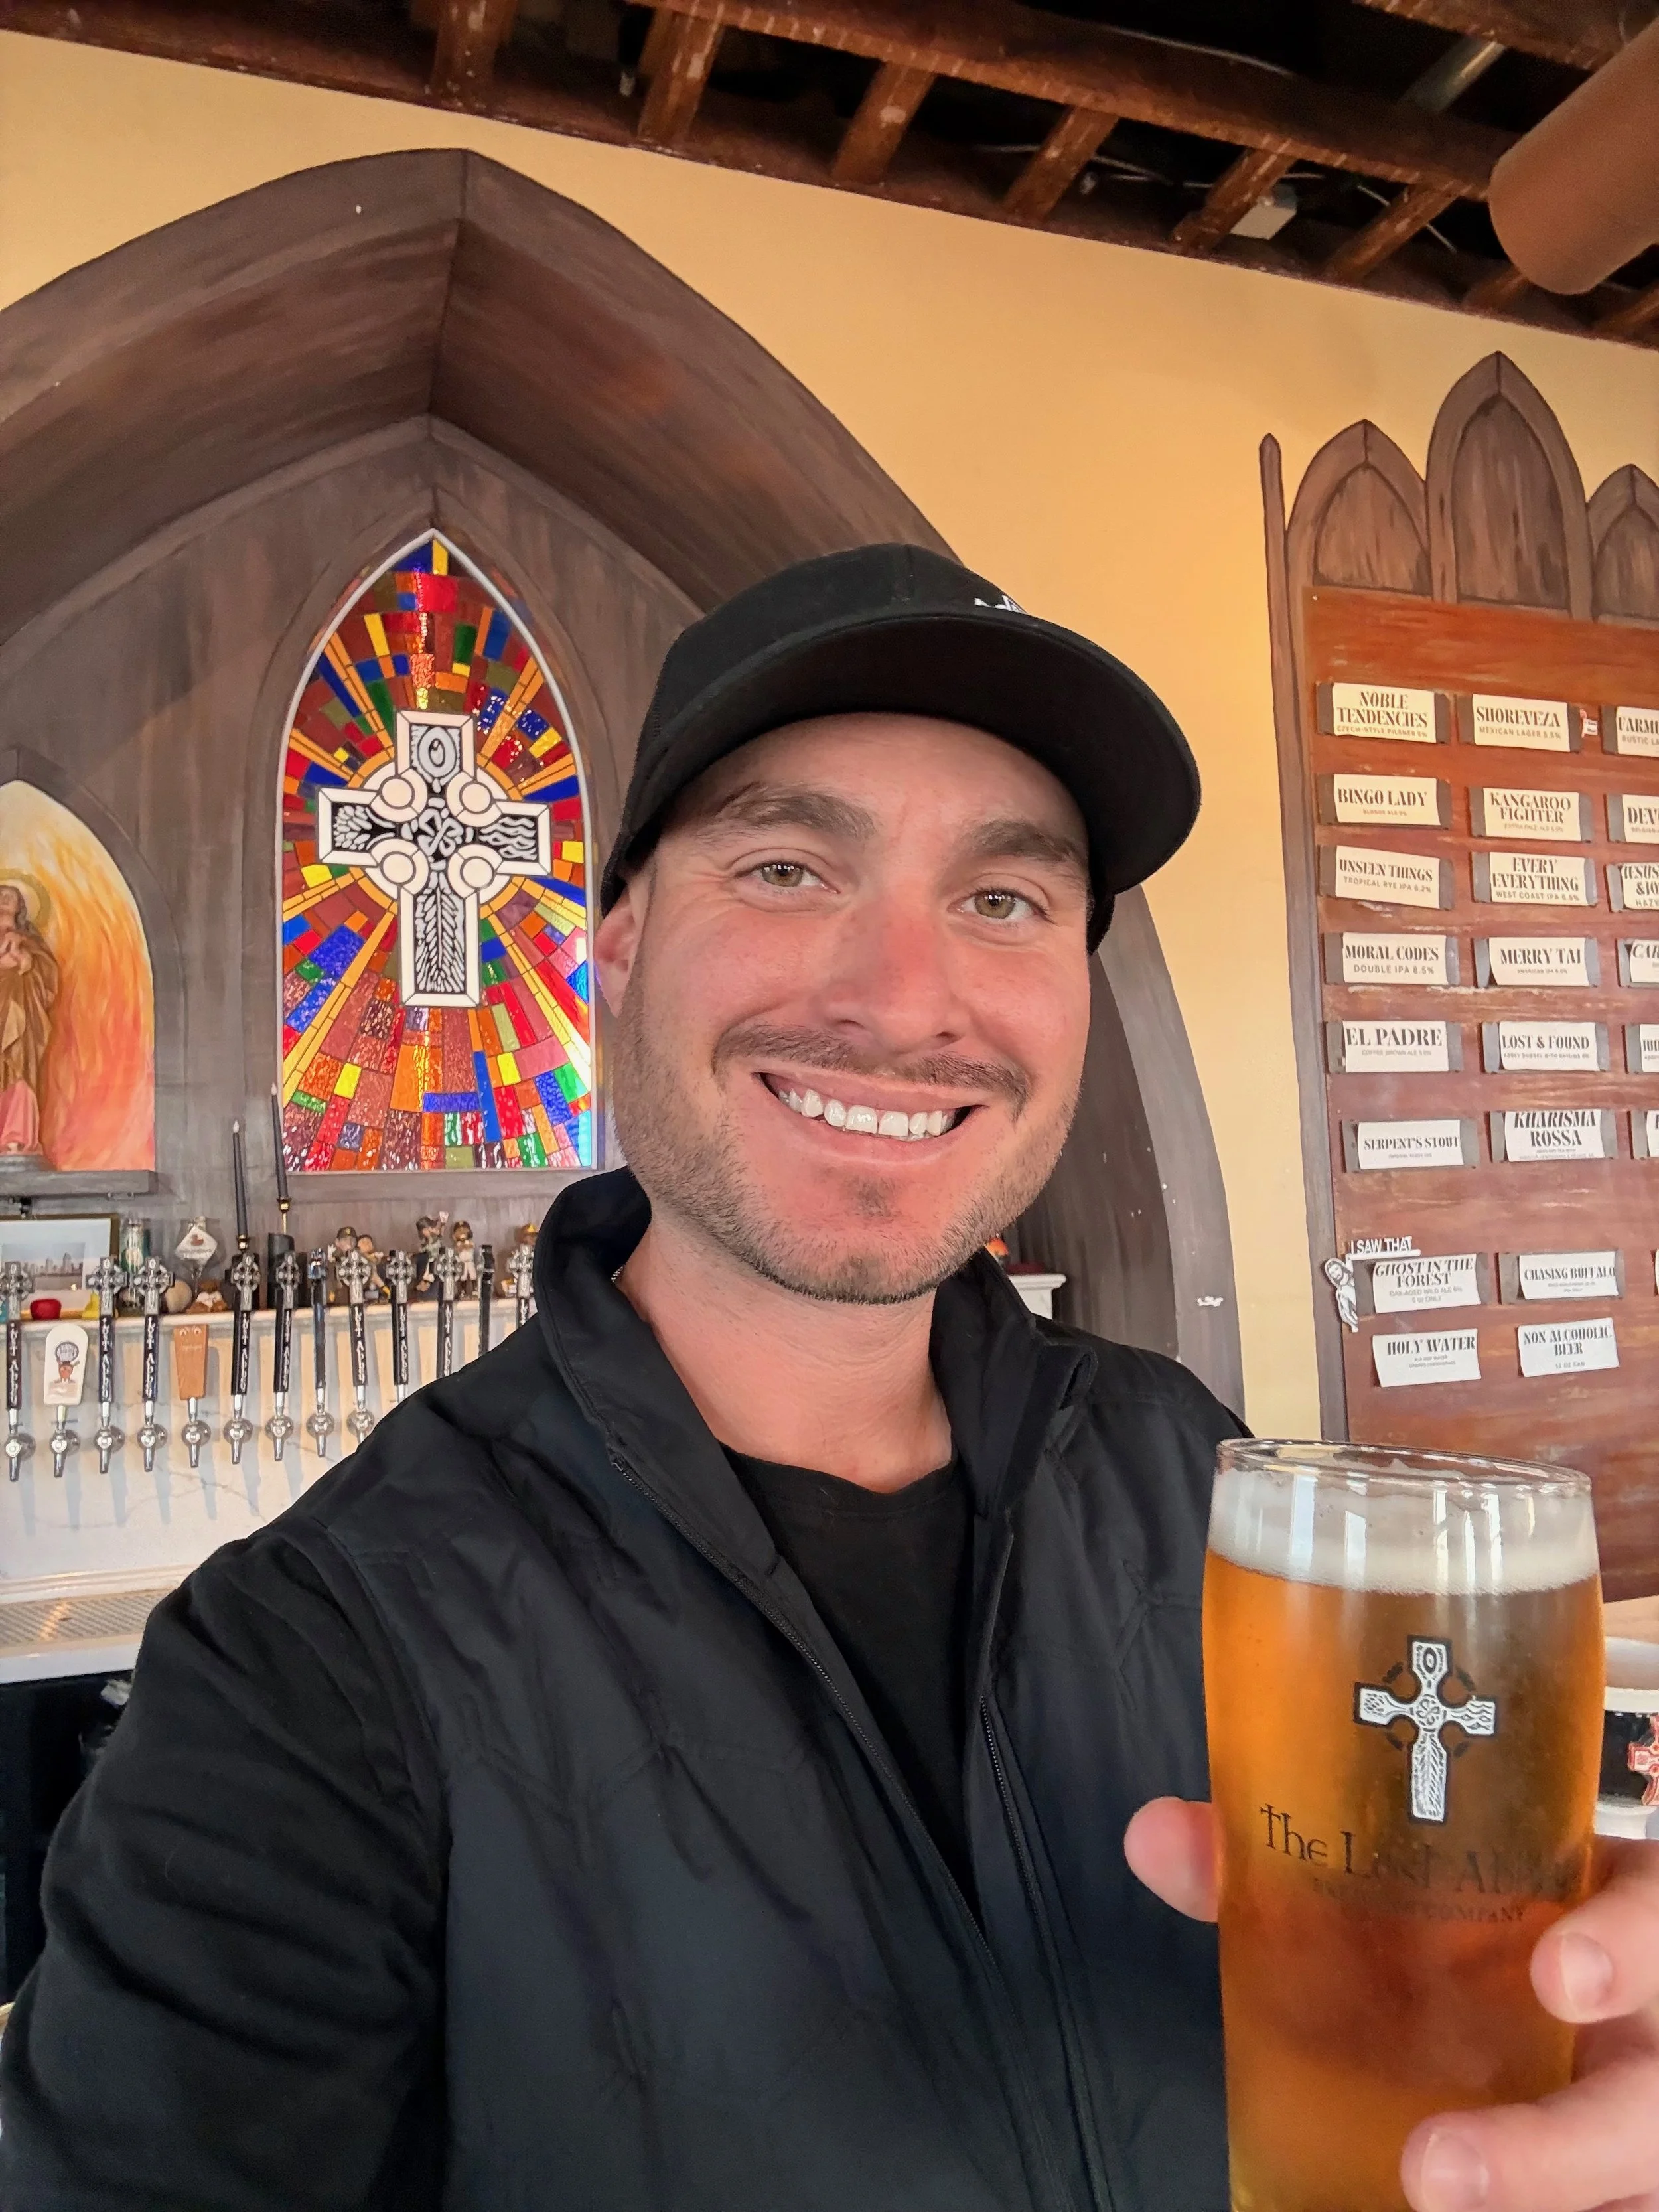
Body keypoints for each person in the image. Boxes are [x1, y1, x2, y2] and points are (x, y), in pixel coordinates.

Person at [2, 546, 1656, 2212]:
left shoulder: (1202, 1486)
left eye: (1004, 899)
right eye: (790, 867)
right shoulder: (309, 1669)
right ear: (622, 949)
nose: (898, 999)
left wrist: (1555, 2093)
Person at [0, 882, 58, 1157]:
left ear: (20, 907)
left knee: (18, 1068)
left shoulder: (30, 941)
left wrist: (25, 958)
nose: (2, 900)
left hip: (20, 1011)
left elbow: (46, 975)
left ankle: (16, 1138)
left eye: (9, 897)